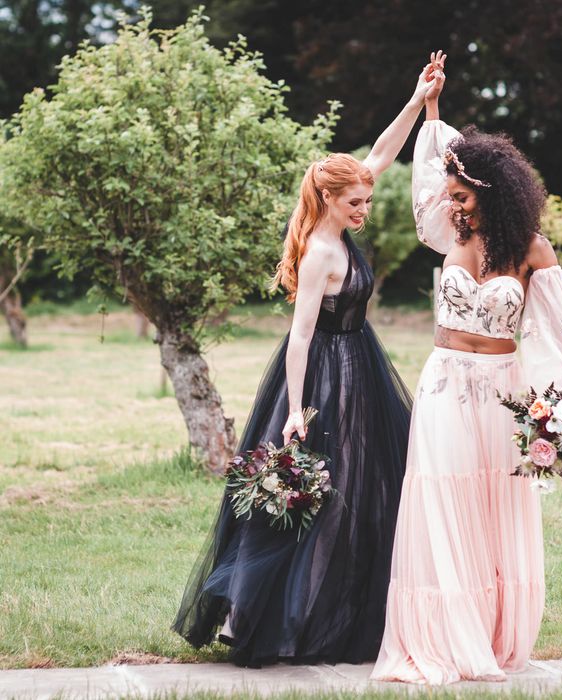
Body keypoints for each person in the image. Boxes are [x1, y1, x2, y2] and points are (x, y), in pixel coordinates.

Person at [172, 58, 442, 667]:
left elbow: (382, 150)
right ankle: (285, 621)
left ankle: (351, 612)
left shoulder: (345, 205)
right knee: (320, 495)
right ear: (327, 198)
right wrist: (296, 409)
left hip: (360, 365)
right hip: (323, 373)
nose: (364, 210)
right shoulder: (321, 251)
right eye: (355, 202)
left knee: (369, 488)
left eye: (366, 201)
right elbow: (299, 337)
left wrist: (416, 95)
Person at [371, 53, 562, 684]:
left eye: (464, 195)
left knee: (493, 504)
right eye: (451, 195)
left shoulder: (532, 251)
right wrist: (433, 108)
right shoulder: (447, 231)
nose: (454, 205)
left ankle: (491, 635)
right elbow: (424, 187)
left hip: (502, 394)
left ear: (491, 195)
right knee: (440, 499)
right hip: (444, 385)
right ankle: (443, 639)